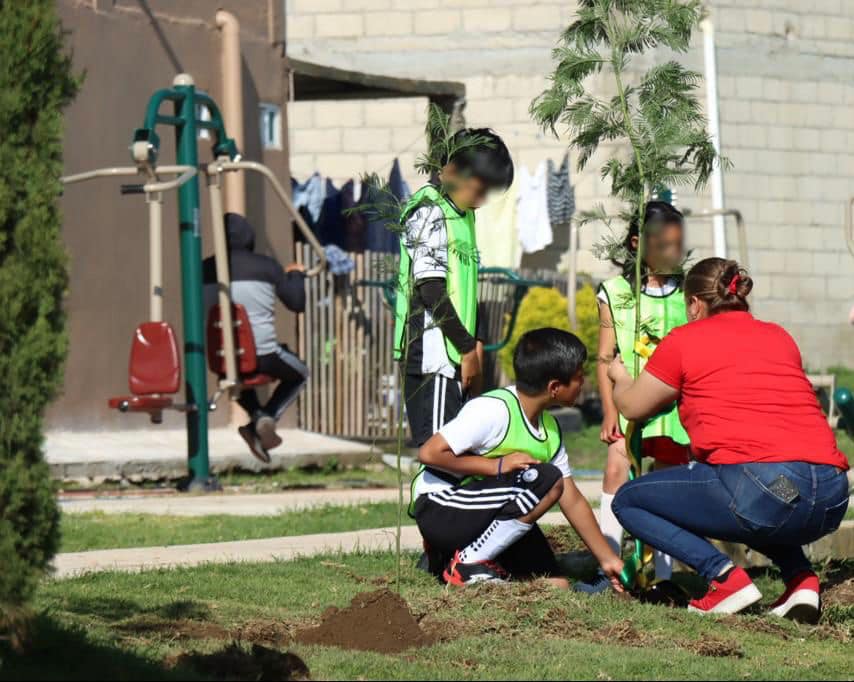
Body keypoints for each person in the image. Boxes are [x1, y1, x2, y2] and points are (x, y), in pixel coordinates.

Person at [608, 257, 849, 620]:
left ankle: (723, 578)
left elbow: (633, 406)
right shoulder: (778, 335)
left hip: (767, 486)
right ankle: (802, 582)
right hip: (827, 492)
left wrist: (619, 376)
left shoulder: (685, 339)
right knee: (758, 501)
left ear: (694, 303)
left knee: (629, 501)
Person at [412, 327, 625, 588]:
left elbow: (572, 499)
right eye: (579, 377)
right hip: (442, 508)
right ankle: (467, 562)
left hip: (488, 514)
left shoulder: (550, 429)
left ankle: (448, 560)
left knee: (557, 585)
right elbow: (429, 453)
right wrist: (496, 465)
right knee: (547, 477)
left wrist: (608, 560)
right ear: (555, 387)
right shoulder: (493, 410)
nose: (583, 383)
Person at [576, 201, 690, 594]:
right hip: (628, 405)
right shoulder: (616, 292)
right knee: (615, 471)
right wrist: (610, 411)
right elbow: (606, 357)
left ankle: (663, 576)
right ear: (638, 243)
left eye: (678, 245)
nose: (672, 254)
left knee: (666, 483)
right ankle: (608, 566)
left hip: (673, 409)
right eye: (664, 245)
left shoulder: (687, 295)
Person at [393, 128, 513, 448]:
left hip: (457, 355)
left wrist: (476, 346)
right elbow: (430, 290)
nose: (483, 198)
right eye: (480, 187)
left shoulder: (462, 215)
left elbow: (468, 291)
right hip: (434, 358)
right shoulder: (428, 211)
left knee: (457, 455)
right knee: (438, 454)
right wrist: (465, 348)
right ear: (452, 171)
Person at [203, 213, 309, 463]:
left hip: (221, 359)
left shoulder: (203, 268)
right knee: (301, 373)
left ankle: (257, 419)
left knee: (235, 378)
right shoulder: (266, 266)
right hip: (265, 356)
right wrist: (295, 275)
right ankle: (267, 416)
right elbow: (297, 303)